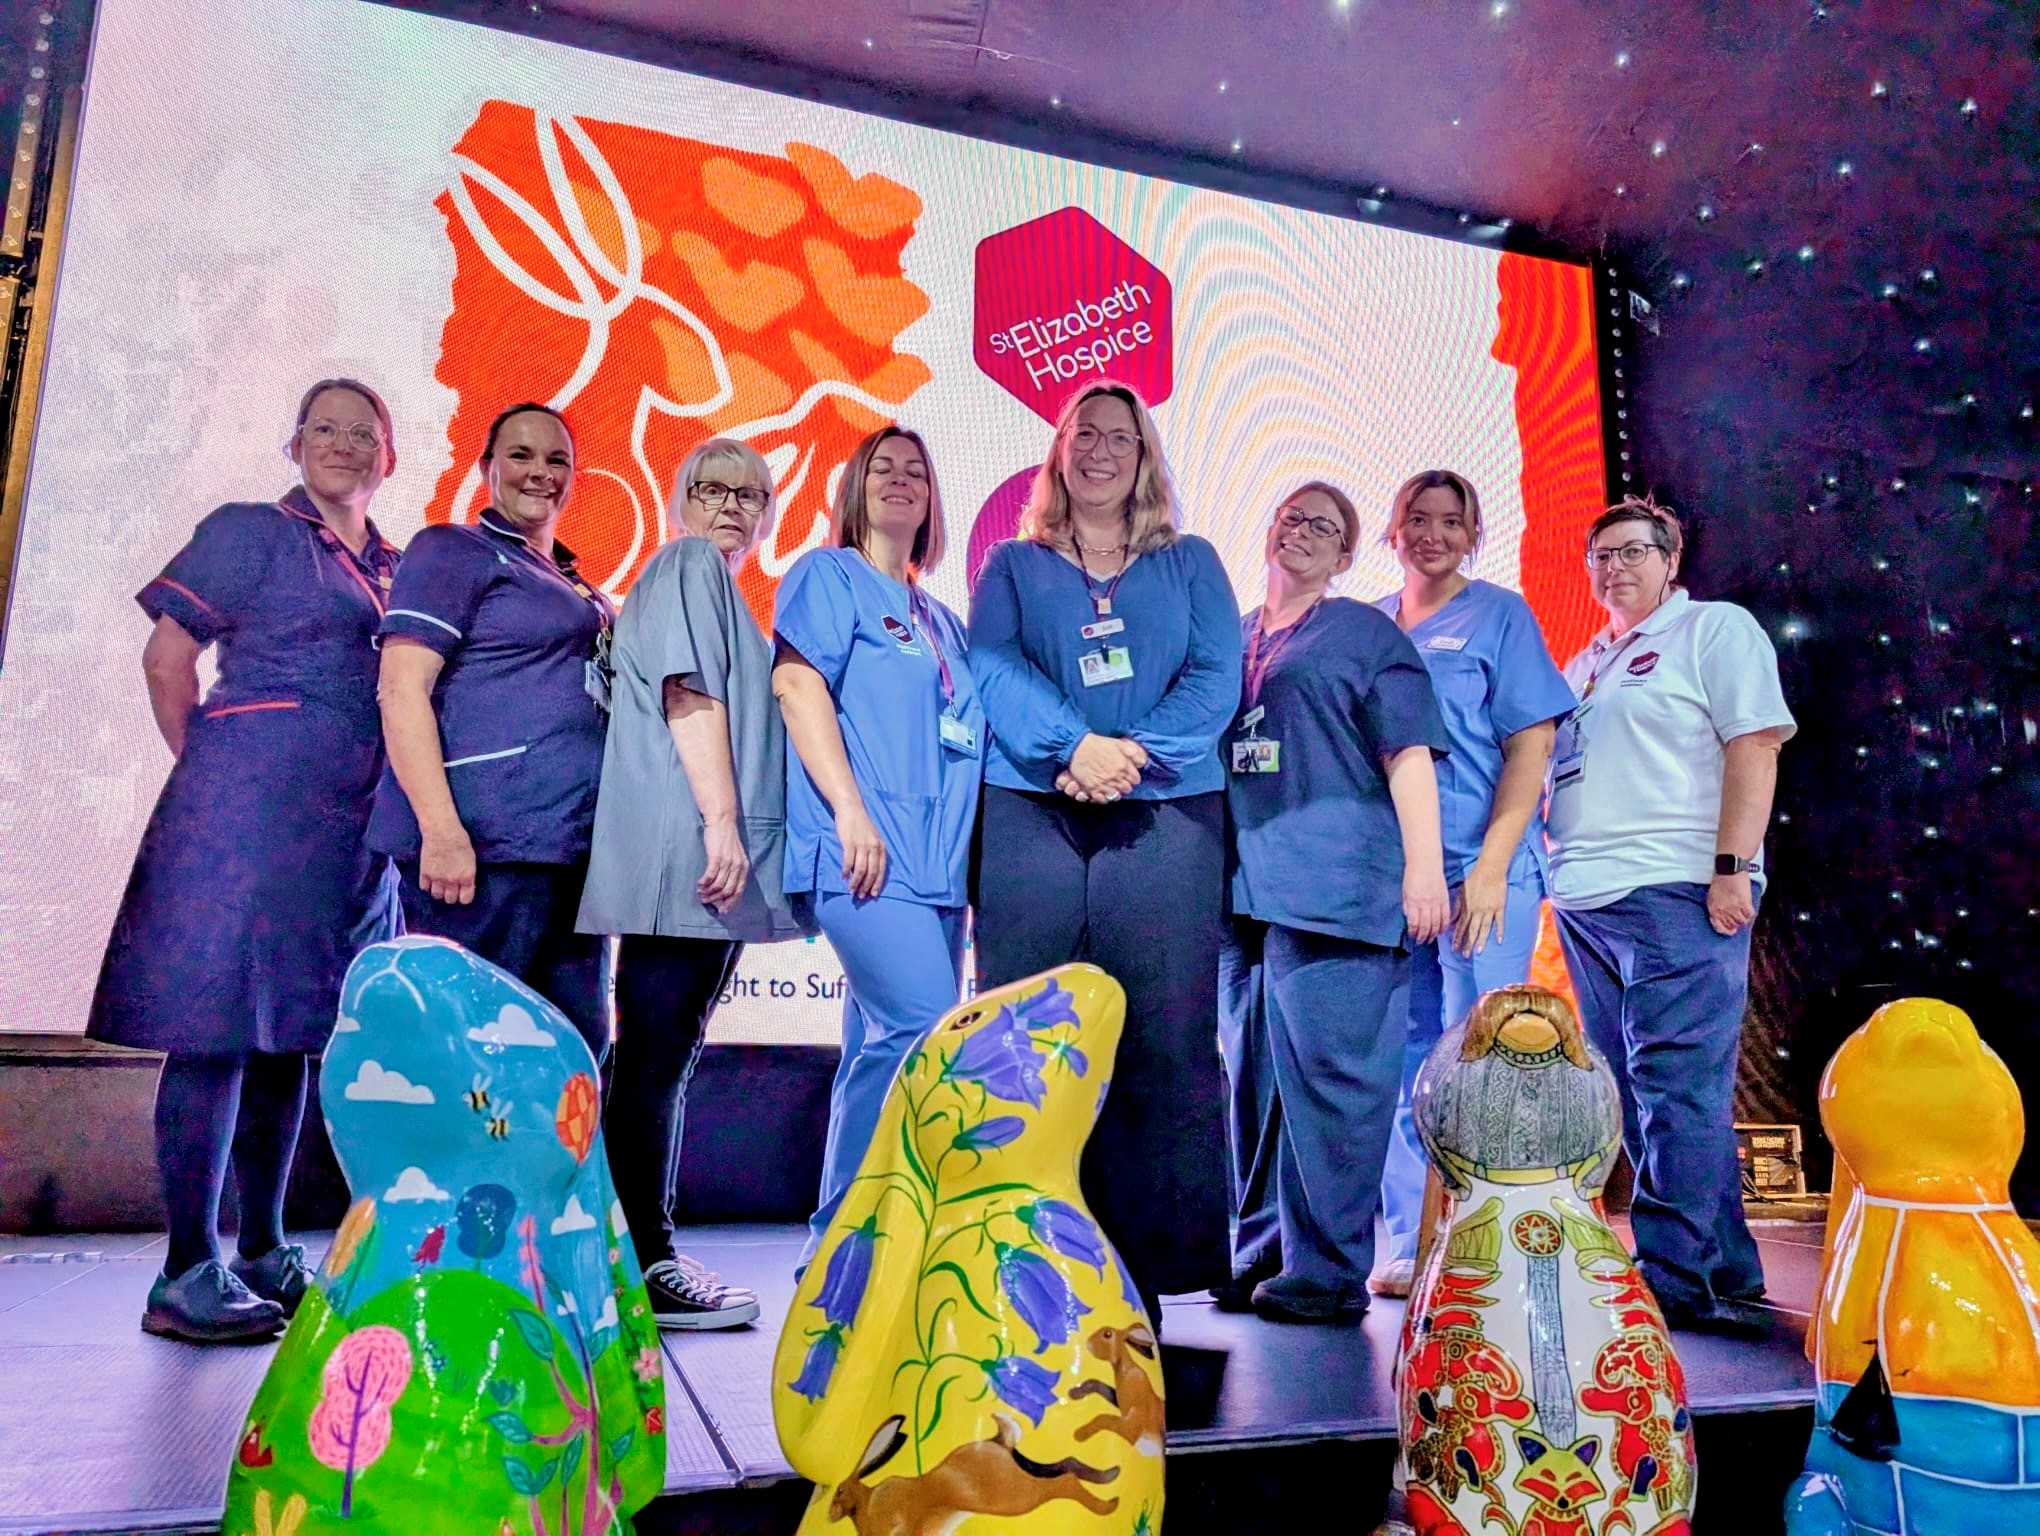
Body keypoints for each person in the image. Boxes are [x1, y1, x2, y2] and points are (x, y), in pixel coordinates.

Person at [89, 378, 403, 1342]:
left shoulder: (396, 565)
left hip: (349, 832)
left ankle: (265, 1251)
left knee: (292, 1034)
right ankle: (188, 1271)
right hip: (246, 820)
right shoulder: (250, 530)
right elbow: (165, 659)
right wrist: (223, 772)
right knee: (216, 1028)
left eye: (364, 434)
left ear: (390, 457)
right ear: (294, 443)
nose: (344, 446)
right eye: (325, 429)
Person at [968, 381, 1242, 1321]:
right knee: (1026, 1036)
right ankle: (1015, 1264)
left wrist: (1137, 756)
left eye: (1120, 437)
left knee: (1161, 1039)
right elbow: (993, 666)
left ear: (1146, 455)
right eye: (1084, 434)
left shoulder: (1193, 561)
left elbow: (1218, 674)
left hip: (1166, 816)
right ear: (1058, 451)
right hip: (1031, 815)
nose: (1100, 450)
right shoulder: (1011, 562)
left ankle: (1142, 1275)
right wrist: (1071, 748)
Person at [1544, 494, 1794, 1334]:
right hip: (1585, 899)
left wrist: (1732, 869)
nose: (1616, 566)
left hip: (1675, 885)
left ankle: (1672, 1281)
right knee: (1635, 1093)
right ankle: (1725, 1264)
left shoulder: (1712, 630)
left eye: (1634, 550)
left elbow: (1753, 743)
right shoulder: (1583, 664)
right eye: (1602, 555)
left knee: (1675, 1088)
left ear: (1671, 559)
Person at [577, 438, 799, 1328]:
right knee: (656, 1058)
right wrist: (720, 824)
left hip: (703, 857)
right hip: (691, 853)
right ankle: (644, 1259)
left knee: (661, 1054)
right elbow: (688, 696)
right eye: (712, 488)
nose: (733, 507)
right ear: (679, 499)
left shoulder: (719, 586)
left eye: (753, 494)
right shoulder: (686, 566)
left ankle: (633, 1252)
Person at [1215, 482, 1450, 1322]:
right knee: (1257, 1087)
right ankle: (1262, 1252)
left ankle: (1328, 1274)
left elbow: (1410, 752)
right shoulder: (1237, 635)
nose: (1305, 532)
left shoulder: (1363, 634)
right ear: (1268, 530)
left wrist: (1425, 870)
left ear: (1349, 555)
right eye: (1293, 517)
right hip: (1247, 900)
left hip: (1340, 887)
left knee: (1334, 1089)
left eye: (1328, 526)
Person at [772, 425, 984, 1266]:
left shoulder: (943, 619)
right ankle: (876, 1241)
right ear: (853, 489)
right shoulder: (828, 577)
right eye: (881, 469)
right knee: (922, 1034)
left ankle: (842, 1244)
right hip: (863, 848)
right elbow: (796, 683)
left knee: (875, 1050)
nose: (900, 482)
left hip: (938, 871)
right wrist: (849, 809)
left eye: (916, 473)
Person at [1368, 470, 1577, 1298]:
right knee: (1402, 1056)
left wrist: (1490, 868)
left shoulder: (1499, 616)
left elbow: (1531, 747)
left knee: (1482, 1058)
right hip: (1398, 878)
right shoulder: (1371, 626)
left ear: (1472, 534)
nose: (1432, 534)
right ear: (1393, 531)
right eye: (1416, 518)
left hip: (1481, 872)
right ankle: (1408, 1241)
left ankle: (1488, 1242)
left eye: (1451, 521)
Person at [372, 404, 616, 1060]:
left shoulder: (575, 583)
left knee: (571, 1057)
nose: (540, 472)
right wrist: (442, 832)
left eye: (556, 459)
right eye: (521, 455)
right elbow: (401, 689)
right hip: (482, 858)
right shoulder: (453, 551)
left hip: (567, 857)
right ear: (486, 469)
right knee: (468, 1058)